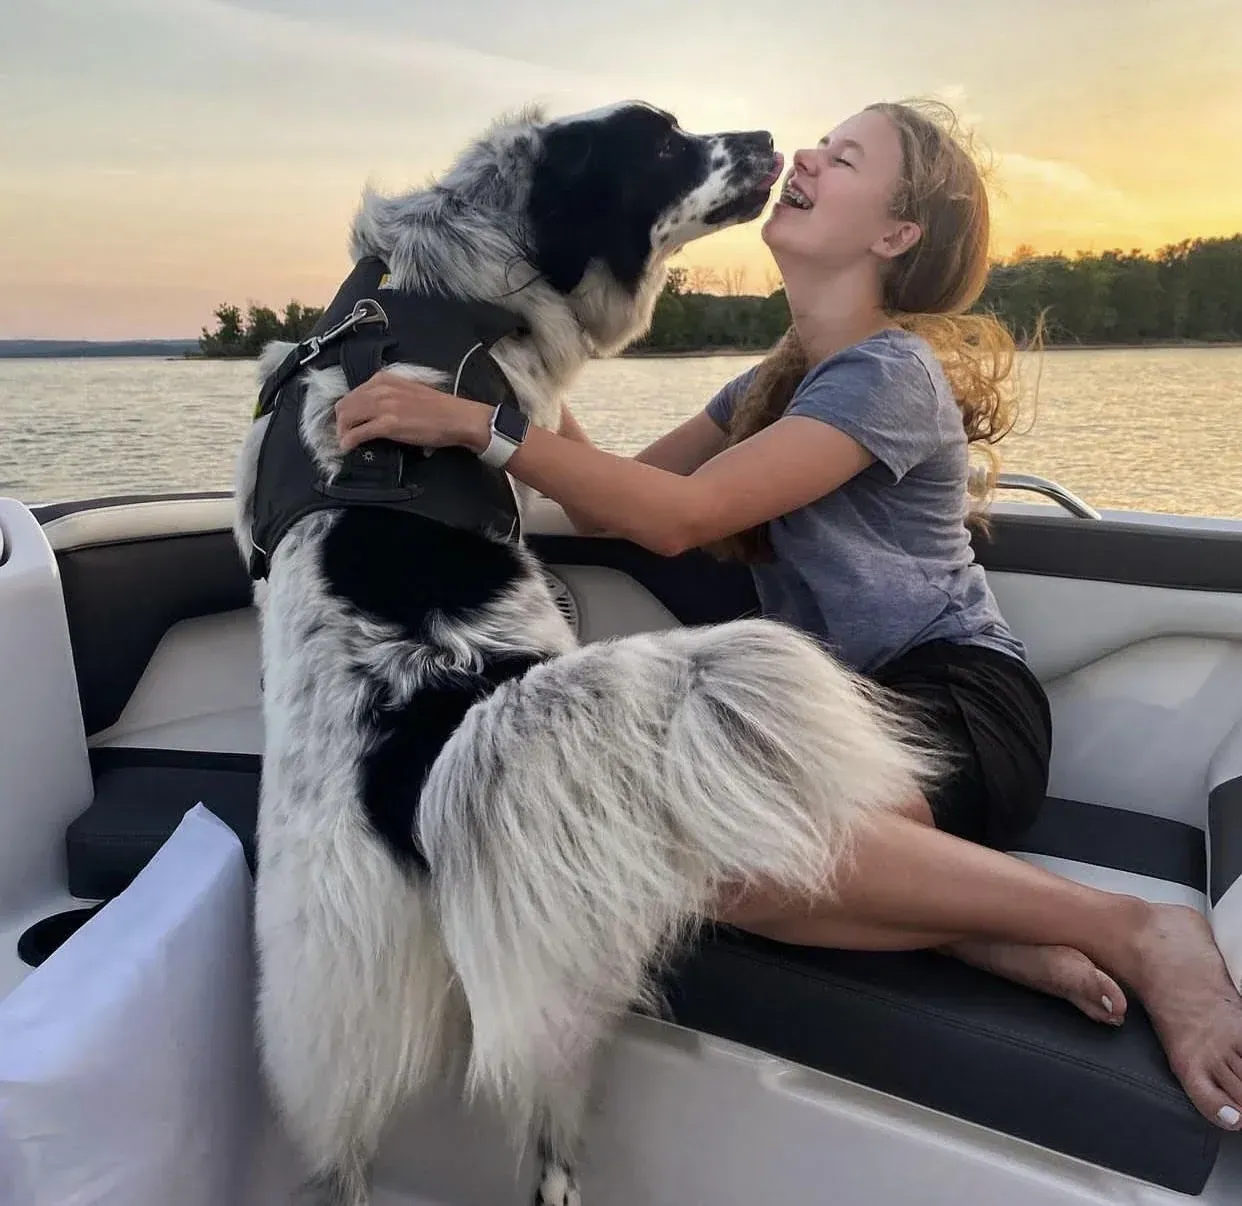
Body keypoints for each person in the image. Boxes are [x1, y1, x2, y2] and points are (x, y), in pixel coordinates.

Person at [332, 99, 1242, 1131]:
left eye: (845, 158)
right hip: (830, 722)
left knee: (741, 856)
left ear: (895, 236)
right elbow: (605, 497)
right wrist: (518, 353)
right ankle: (963, 925)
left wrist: (474, 425)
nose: (806, 154)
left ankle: (1132, 928)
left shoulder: (891, 372)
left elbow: (682, 518)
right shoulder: (769, 382)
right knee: (680, 864)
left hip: (955, 705)